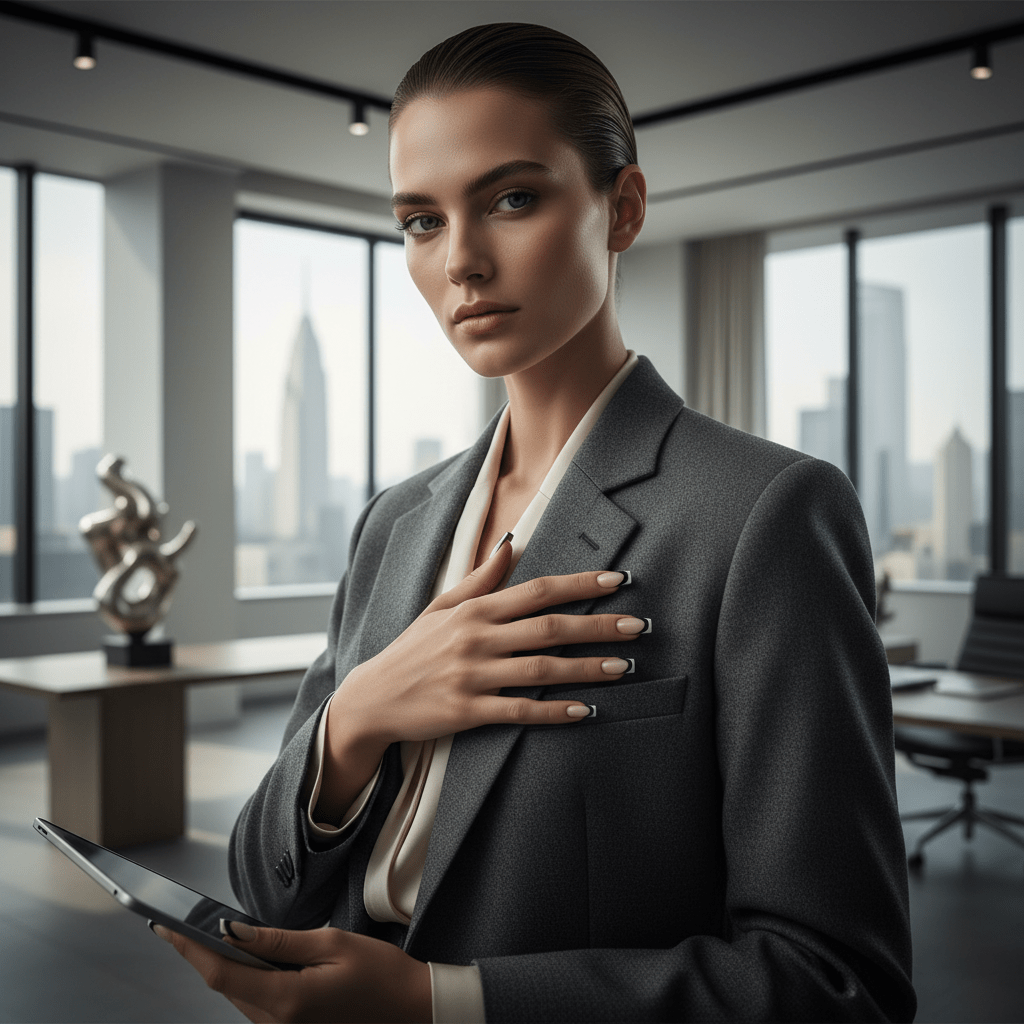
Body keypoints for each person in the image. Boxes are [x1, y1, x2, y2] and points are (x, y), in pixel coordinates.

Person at [156, 23, 916, 1023]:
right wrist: (359, 717)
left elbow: (837, 984)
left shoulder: (761, 515)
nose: (461, 261)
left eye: (511, 199)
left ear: (622, 207)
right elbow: (264, 886)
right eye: (421, 221)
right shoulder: (396, 522)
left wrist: (443, 1003)